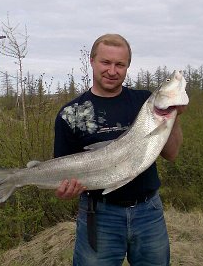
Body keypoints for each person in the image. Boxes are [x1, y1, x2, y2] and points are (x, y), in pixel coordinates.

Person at [54, 34, 186, 266]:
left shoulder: (145, 102)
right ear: (92, 60)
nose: (112, 71)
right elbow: (63, 172)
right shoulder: (70, 114)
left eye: (120, 65)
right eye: (106, 62)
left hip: (149, 213)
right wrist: (65, 191)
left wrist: (173, 118)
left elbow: (171, 154)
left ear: (127, 67)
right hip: (99, 215)